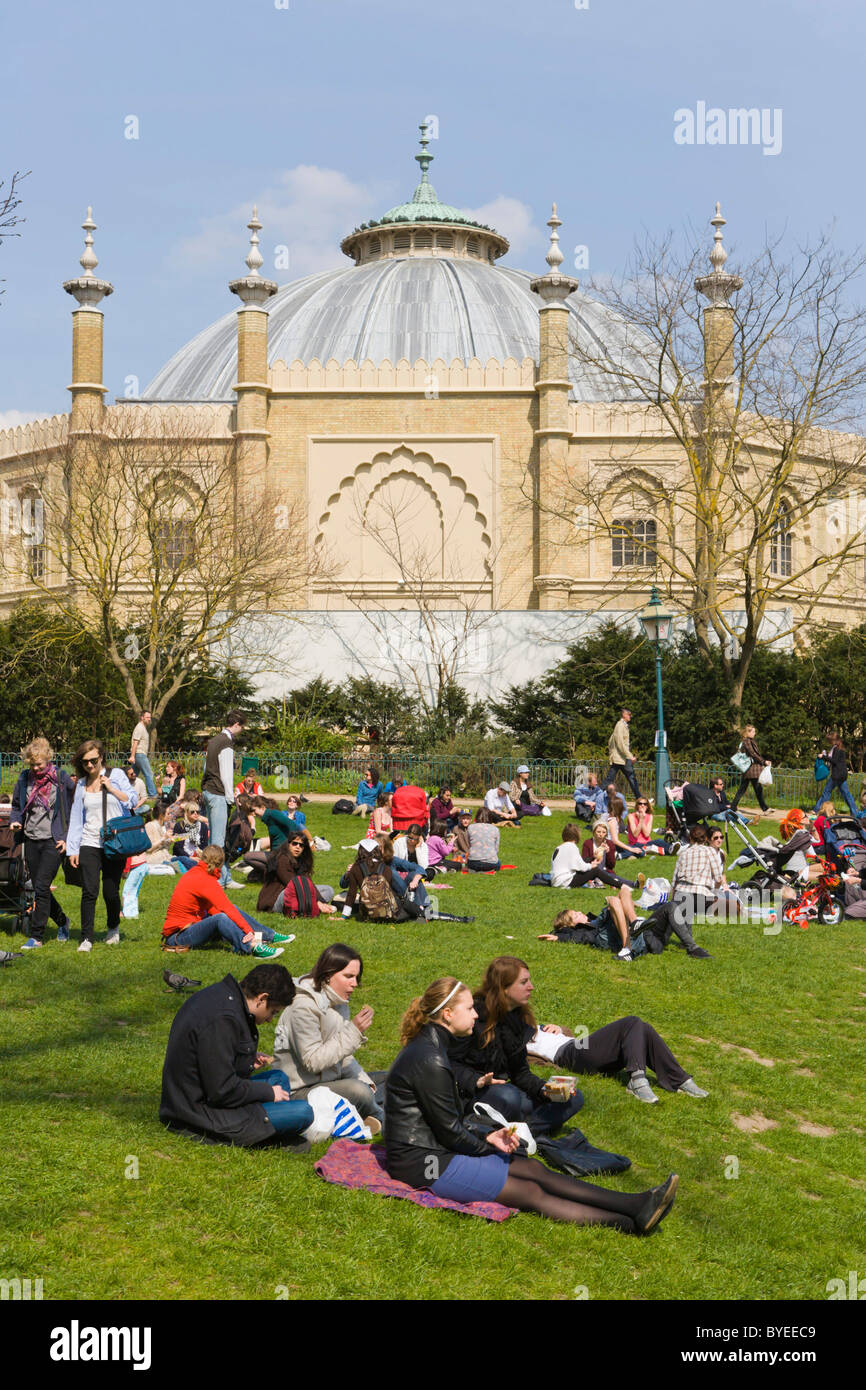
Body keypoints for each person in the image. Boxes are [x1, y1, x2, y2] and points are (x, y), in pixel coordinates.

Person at [383, 976, 678, 1233]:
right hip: (423, 1163)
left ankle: (635, 1203)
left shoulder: (432, 1047)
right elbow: (448, 1132)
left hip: (437, 1149)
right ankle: (629, 1223)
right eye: (470, 1009)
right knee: (529, 1191)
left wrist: (488, 1135)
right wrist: (489, 1145)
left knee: (533, 1169)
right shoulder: (430, 1058)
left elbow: (447, 1123)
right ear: (447, 1014)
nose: (475, 1015)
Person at [159, 963, 314, 1146]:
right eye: (273, 1012)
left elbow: (213, 1060)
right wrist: (267, 1092)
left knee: (278, 1078)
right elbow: (222, 1091)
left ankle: (266, 1122)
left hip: (203, 1092)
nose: (270, 1019)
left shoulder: (224, 996)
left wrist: (244, 1059)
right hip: (196, 1111)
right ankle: (263, 1128)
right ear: (262, 998)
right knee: (303, 1112)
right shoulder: (224, 1019)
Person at [448, 958, 584, 1133]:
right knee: (511, 1099)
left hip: (502, 1090)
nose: (531, 987)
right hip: (473, 1092)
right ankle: (517, 1126)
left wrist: (545, 1089)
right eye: (523, 982)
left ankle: (521, 1131)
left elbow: (520, 1072)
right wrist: (476, 1080)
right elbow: (448, 1063)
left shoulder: (516, 1019)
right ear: (504, 988)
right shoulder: (474, 1018)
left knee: (573, 1097)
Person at [273, 943, 384, 1130]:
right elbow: (313, 1061)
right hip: (298, 1092)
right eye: (348, 976)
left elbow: (343, 1054)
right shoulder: (303, 1006)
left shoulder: (338, 1002)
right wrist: (354, 1032)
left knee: (388, 1079)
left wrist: (367, 1082)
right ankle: (382, 1118)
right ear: (327, 975)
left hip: (330, 1082)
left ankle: (362, 1113)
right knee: (359, 1092)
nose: (355, 984)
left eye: (356, 977)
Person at [525, 1017, 708, 1104]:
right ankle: (637, 1080)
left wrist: (559, 1027)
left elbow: (564, 1032)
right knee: (632, 1023)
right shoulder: (514, 1042)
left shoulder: (534, 1025)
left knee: (642, 1028)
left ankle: (679, 1079)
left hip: (577, 1045)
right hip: (569, 1056)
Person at [65, 739, 139, 952]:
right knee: (89, 890)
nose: (90, 765)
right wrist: (73, 849)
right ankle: (86, 938)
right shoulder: (81, 784)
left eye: (93, 761)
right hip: (89, 842)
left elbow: (132, 800)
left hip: (114, 842)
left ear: (102, 758)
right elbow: (77, 818)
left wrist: (111, 788)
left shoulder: (116, 775)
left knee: (110, 891)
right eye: (85, 762)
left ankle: (113, 928)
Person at [161, 846, 294, 956]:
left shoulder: (198, 873)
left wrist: (244, 929)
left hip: (186, 928)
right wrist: (248, 930)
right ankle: (252, 946)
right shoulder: (205, 879)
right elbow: (226, 908)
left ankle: (268, 935)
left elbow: (213, 908)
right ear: (221, 864)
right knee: (221, 918)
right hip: (177, 937)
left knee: (226, 914)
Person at [10, 737, 75, 948]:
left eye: (39, 764)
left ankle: (37, 937)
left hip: (53, 841)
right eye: (32, 764)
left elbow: (75, 807)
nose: (36, 768)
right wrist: (15, 821)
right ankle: (63, 921)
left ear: (48, 759)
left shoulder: (62, 779)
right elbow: (17, 806)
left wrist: (67, 837)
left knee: (41, 886)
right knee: (41, 889)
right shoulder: (24, 779)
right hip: (31, 838)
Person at [202, 711, 247, 889]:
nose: (242, 730)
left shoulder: (213, 741)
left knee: (217, 837)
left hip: (209, 791)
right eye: (242, 726)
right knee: (219, 841)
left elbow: (207, 767)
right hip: (219, 793)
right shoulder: (226, 743)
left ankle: (226, 877)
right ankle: (218, 881)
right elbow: (227, 774)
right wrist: (231, 798)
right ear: (236, 724)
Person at [538, 886, 644, 961]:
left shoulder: (592, 920)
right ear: (571, 925)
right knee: (613, 900)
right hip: (605, 937)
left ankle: (635, 922)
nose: (579, 912)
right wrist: (557, 937)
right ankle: (627, 946)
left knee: (624, 890)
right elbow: (573, 935)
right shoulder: (580, 930)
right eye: (576, 916)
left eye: (576, 912)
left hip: (611, 930)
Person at [257, 832, 337, 917]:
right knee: (294, 889)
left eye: (301, 845)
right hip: (275, 900)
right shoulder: (282, 859)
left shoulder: (301, 861)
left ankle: (309, 906)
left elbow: (308, 883)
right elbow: (293, 884)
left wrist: (320, 901)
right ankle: (311, 906)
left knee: (328, 890)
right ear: (288, 844)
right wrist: (317, 902)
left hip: (296, 894)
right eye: (294, 844)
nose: (297, 847)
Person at [668, 824, 718, 958]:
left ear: (690, 838)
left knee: (683, 904)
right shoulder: (711, 851)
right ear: (706, 839)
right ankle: (689, 942)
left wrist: (673, 897)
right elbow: (718, 876)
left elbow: (675, 879)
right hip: (703, 896)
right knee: (689, 905)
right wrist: (715, 891)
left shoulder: (683, 853)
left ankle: (687, 942)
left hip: (682, 891)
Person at [551, 822, 626, 890]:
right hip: (564, 882)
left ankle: (603, 883)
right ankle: (620, 886)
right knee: (595, 871)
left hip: (555, 881)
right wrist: (591, 866)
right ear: (577, 835)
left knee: (593, 869)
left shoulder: (559, 847)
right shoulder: (572, 847)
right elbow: (581, 867)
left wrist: (591, 863)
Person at [812, 734, 860, 818]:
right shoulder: (840, 748)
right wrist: (826, 756)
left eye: (830, 741)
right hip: (842, 774)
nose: (829, 743)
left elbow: (834, 761)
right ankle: (855, 812)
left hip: (836, 775)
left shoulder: (836, 749)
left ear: (834, 740)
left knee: (826, 792)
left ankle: (817, 810)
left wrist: (823, 756)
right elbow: (834, 760)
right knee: (846, 794)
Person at [730, 724, 770, 814]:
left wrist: (763, 762)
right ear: (748, 732)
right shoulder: (747, 741)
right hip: (751, 769)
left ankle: (733, 807)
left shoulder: (750, 741)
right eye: (753, 731)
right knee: (757, 789)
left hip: (750, 769)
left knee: (744, 789)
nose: (754, 733)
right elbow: (753, 754)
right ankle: (765, 809)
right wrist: (763, 762)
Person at [605, 708, 640, 799]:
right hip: (620, 758)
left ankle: (639, 797)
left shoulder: (623, 725)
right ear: (624, 715)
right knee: (611, 779)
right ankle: (598, 797)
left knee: (630, 778)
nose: (630, 716)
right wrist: (630, 756)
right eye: (629, 714)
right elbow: (620, 743)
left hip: (622, 758)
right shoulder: (620, 725)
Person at [579, 821, 627, 888]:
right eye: (598, 832)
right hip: (591, 870)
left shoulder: (610, 844)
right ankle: (598, 881)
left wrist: (608, 852)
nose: (601, 834)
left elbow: (612, 865)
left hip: (605, 871)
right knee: (613, 879)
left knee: (616, 878)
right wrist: (593, 857)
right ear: (593, 832)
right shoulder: (587, 843)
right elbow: (584, 861)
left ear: (606, 833)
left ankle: (635, 885)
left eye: (603, 832)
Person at [129, 710, 157, 800]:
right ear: (142, 717)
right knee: (149, 774)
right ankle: (152, 794)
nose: (149, 719)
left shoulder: (143, 728)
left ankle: (127, 790)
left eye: (150, 717)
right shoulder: (139, 728)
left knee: (133, 775)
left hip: (139, 754)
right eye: (147, 717)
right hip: (139, 754)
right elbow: (135, 743)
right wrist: (132, 756)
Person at [467, 807, 501, 872]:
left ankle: (475, 870)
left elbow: (469, 844)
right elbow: (496, 849)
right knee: (498, 863)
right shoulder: (495, 829)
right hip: (491, 863)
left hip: (473, 862)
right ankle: (488, 870)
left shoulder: (471, 827)